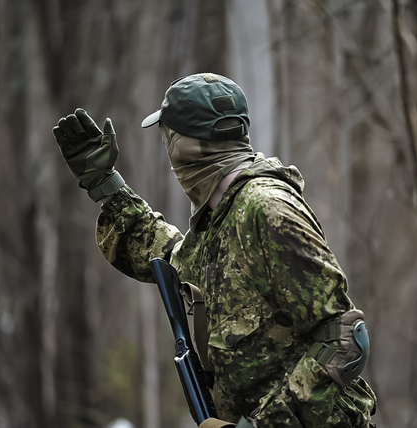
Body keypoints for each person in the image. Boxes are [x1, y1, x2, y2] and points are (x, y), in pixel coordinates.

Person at [52, 73, 377, 427]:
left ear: (184, 147)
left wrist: (263, 424)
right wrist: (105, 185)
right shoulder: (221, 220)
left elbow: (344, 338)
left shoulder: (266, 208)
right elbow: (165, 255)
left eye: (167, 138)